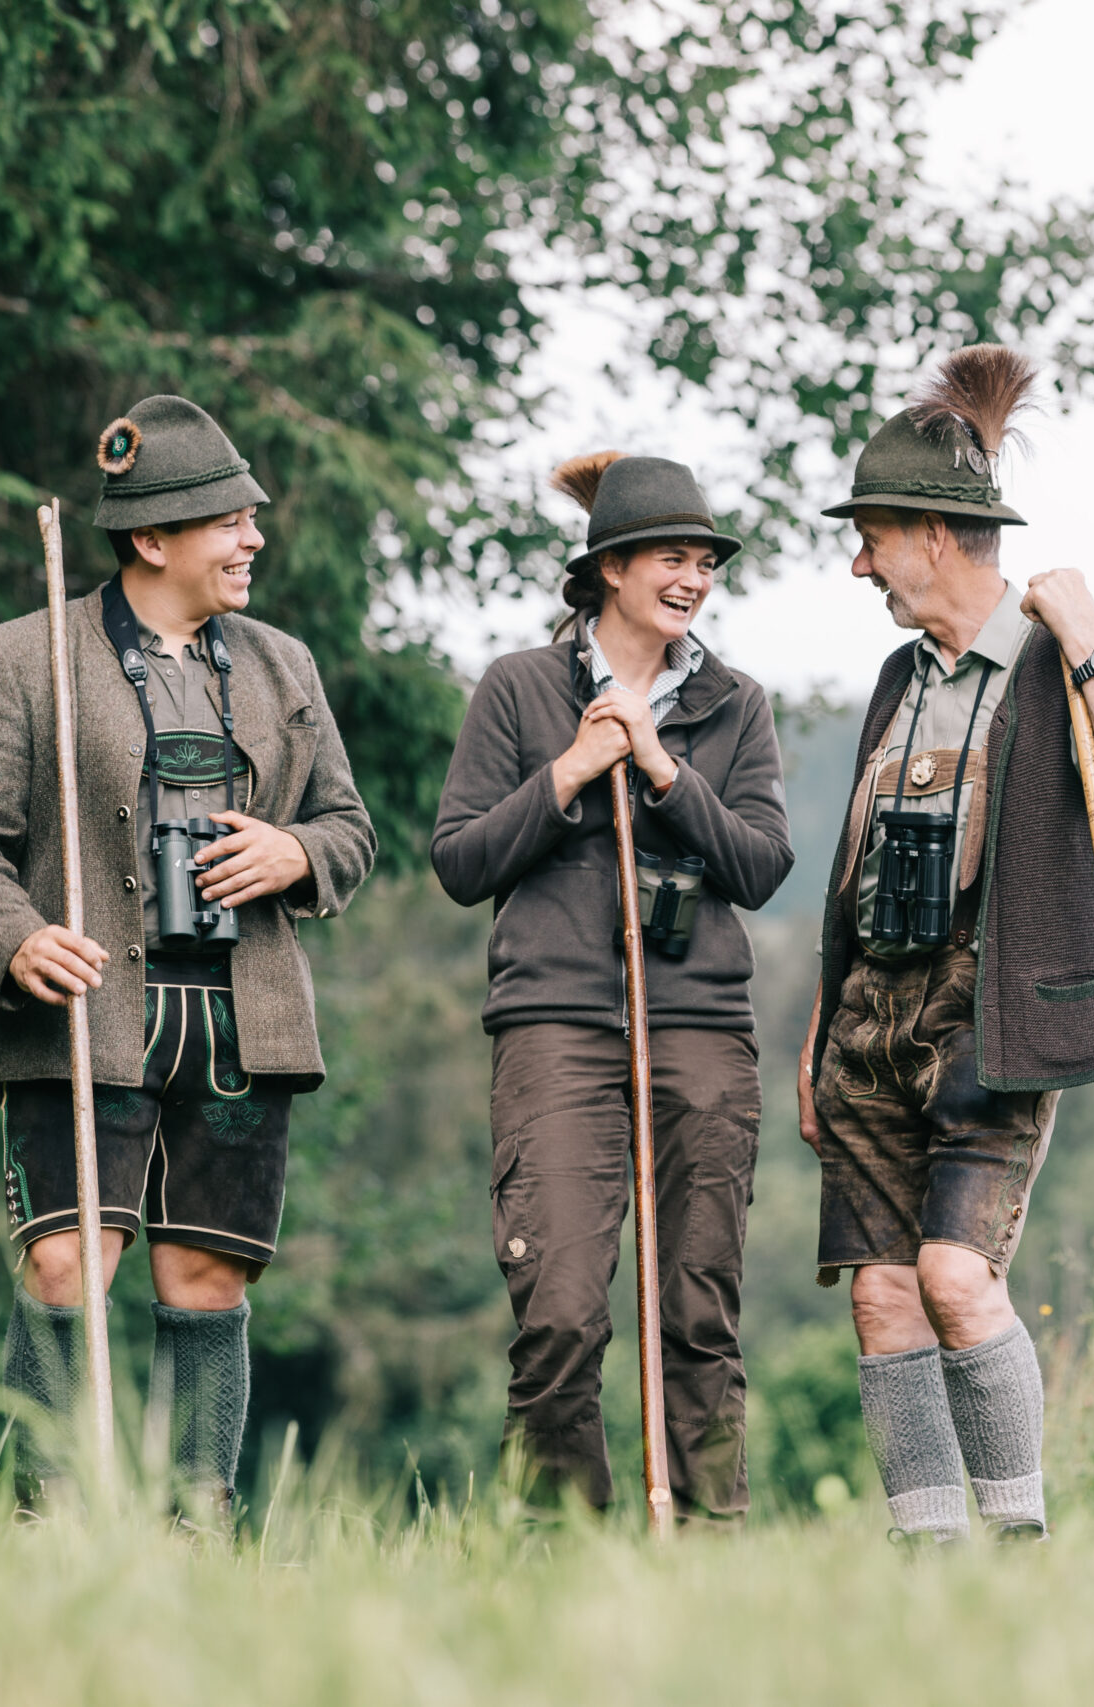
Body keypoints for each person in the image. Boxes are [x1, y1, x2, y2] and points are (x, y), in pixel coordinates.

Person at [0, 395, 377, 1517]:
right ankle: (53, 1520)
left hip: (240, 1020)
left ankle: (195, 1531)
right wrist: (13, 936)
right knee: (67, 1265)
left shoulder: (284, 668)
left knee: (208, 1275)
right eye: (230, 520)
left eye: (252, 519)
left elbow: (349, 830)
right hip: (82, 1015)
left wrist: (293, 851)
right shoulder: (21, 656)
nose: (253, 540)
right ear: (152, 539)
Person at [798, 346, 1094, 1545]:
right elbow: (853, 861)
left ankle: (1019, 1549)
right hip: (869, 1020)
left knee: (954, 1280)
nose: (857, 560)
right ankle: (931, 1567)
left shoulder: (1054, 661)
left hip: (992, 1023)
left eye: (870, 534)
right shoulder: (893, 678)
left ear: (929, 533)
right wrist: (820, 1027)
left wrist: (1090, 635)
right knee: (879, 1296)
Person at [431, 452, 794, 1525]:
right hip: (555, 1025)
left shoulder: (736, 707)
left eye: (704, 563)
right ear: (611, 569)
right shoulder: (519, 689)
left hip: (699, 1031)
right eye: (672, 559)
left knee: (697, 1313)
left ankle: (708, 1549)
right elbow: (460, 862)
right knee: (558, 1309)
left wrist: (667, 774)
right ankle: (562, 1554)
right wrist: (573, 773)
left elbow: (761, 867)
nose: (693, 579)